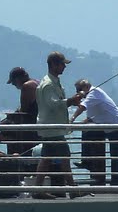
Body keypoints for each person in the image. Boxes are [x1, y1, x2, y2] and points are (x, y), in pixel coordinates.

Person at [35, 51, 85, 198]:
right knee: (64, 157)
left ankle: (39, 190)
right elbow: (53, 104)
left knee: (47, 158)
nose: (64, 67)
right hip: (52, 129)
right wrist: (72, 101)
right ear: (53, 65)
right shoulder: (49, 84)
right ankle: (73, 189)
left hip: (52, 128)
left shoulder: (53, 81)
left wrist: (71, 101)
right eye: (62, 64)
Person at [71, 78, 118, 186]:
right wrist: (80, 123)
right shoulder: (91, 96)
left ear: (85, 87)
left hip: (117, 126)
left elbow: (83, 107)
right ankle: (87, 161)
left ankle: (116, 184)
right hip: (107, 126)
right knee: (87, 131)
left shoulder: (94, 92)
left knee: (115, 156)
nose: (77, 92)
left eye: (78, 89)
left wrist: (72, 118)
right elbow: (92, 116)